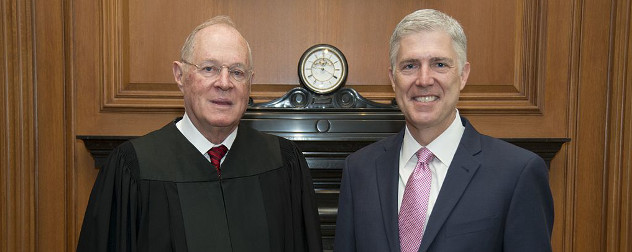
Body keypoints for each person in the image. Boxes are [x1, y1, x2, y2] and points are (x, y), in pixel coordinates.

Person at [77, 16, 322, 252]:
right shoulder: (132, 168)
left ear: (250, 83)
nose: (224, 83)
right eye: (209, 68)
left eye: (237, 72)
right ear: (180, 75)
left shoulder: (283, 163)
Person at [334, 9, 553, 252]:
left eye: (439, 64)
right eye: (410, 66)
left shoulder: (517, 172)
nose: (424, 79)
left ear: (463, 75)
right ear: (393, 79)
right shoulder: (359, 169)